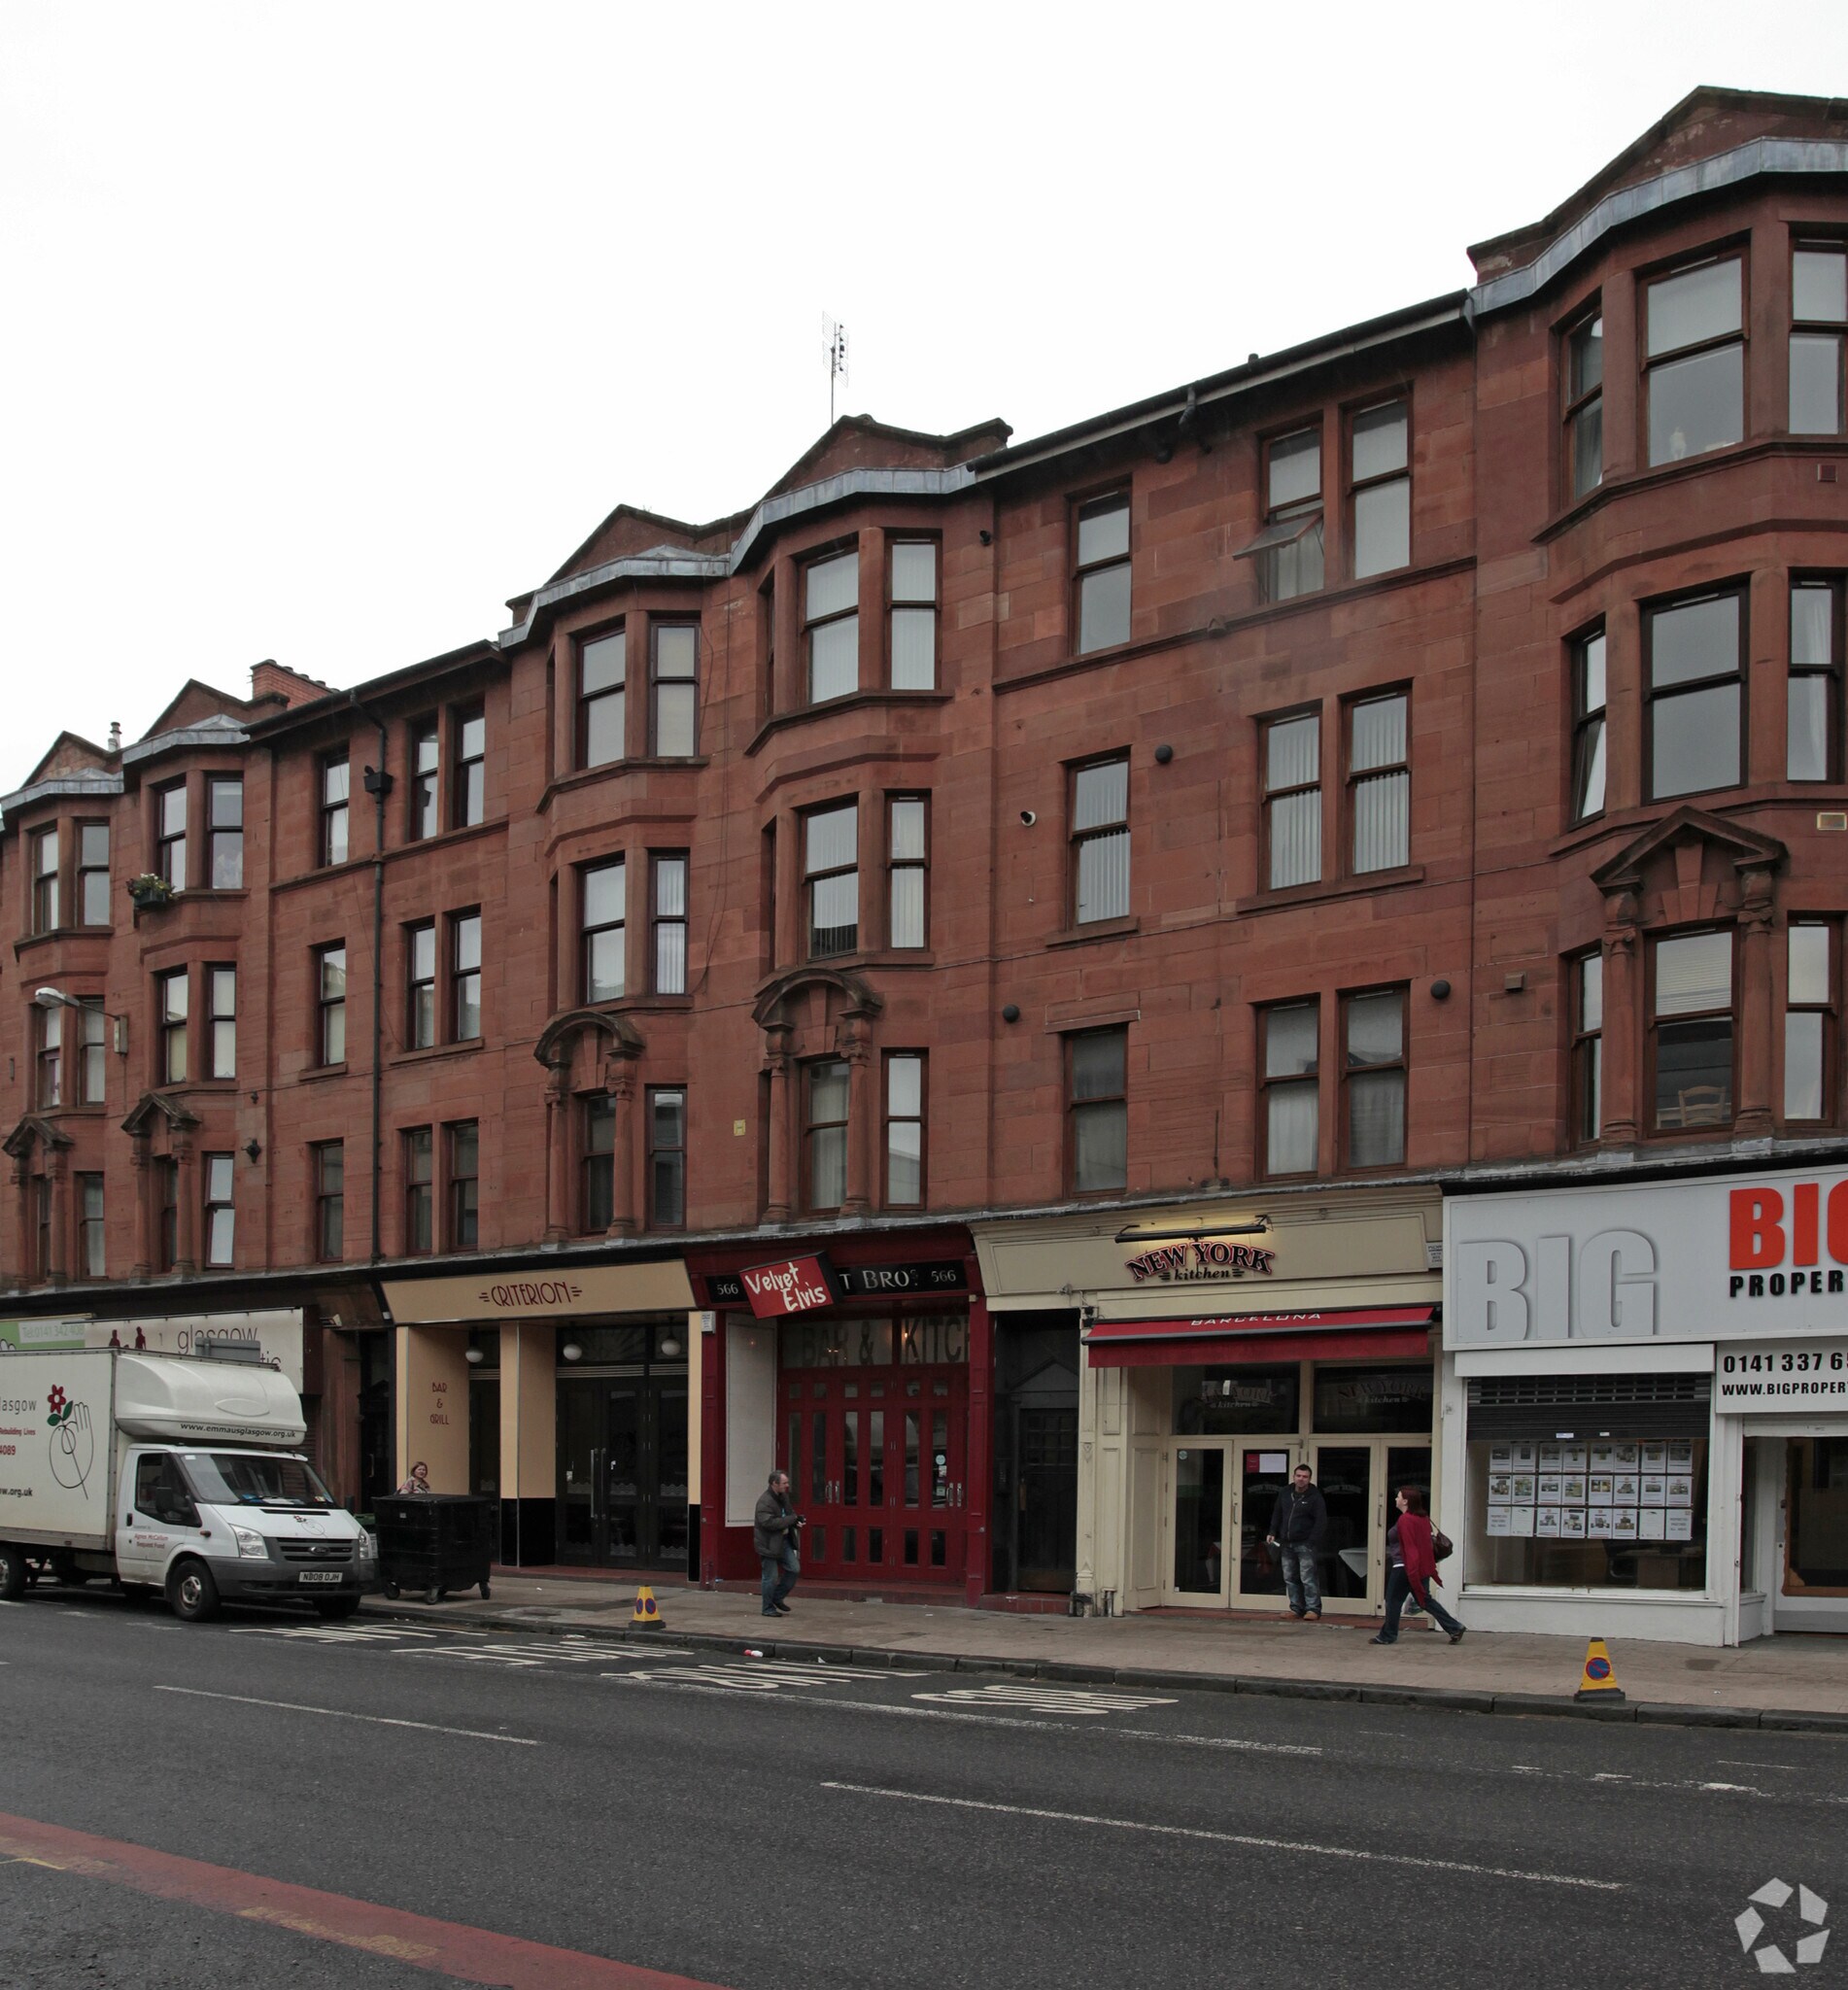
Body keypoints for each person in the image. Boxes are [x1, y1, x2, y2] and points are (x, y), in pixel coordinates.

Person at [1371, 1485, 1464, 1645]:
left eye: (1399, 1497)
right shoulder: (1423, 1518)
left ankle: (1388, 1635)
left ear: (1405, 1501)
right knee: (1424, 1600)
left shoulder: (1405, 1520)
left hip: (1405, 1566)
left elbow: (1410, 1548)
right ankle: (1454, 1627)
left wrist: (1412, 1571)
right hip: (1420, 1566)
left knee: (1393, 1600)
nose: (1396, 1499)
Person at [1265, 1462, 1327, 1621]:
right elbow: (1277, 1513)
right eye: (1298, 1476)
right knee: (1290, 1577)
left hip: (1305, 1543)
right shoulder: (1285, 1492)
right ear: (1293, 1477)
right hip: (1286, 1543)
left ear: (1310, 1479)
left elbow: (1320, 1521)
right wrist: (1272, 1531)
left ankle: (1313, 1609)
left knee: (1308, 1577)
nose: (1301, 1479)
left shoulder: (1315, 1497)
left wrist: (1312, 1541)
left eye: (1305, 1477)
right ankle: (1296, 1608)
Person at [753, 1468, 804, 1617]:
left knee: (794, 1569)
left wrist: (796, 1521)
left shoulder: (783, 1497)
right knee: (771, 1577)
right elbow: (768, 1523)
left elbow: (790, 1514)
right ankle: (767, 1608)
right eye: (784, 1483)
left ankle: (777, 1597)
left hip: (784, 1540)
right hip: (768, 1543)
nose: (787, 1485)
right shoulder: (764, 1502)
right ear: (774, 1483)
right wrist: (790, 1519)